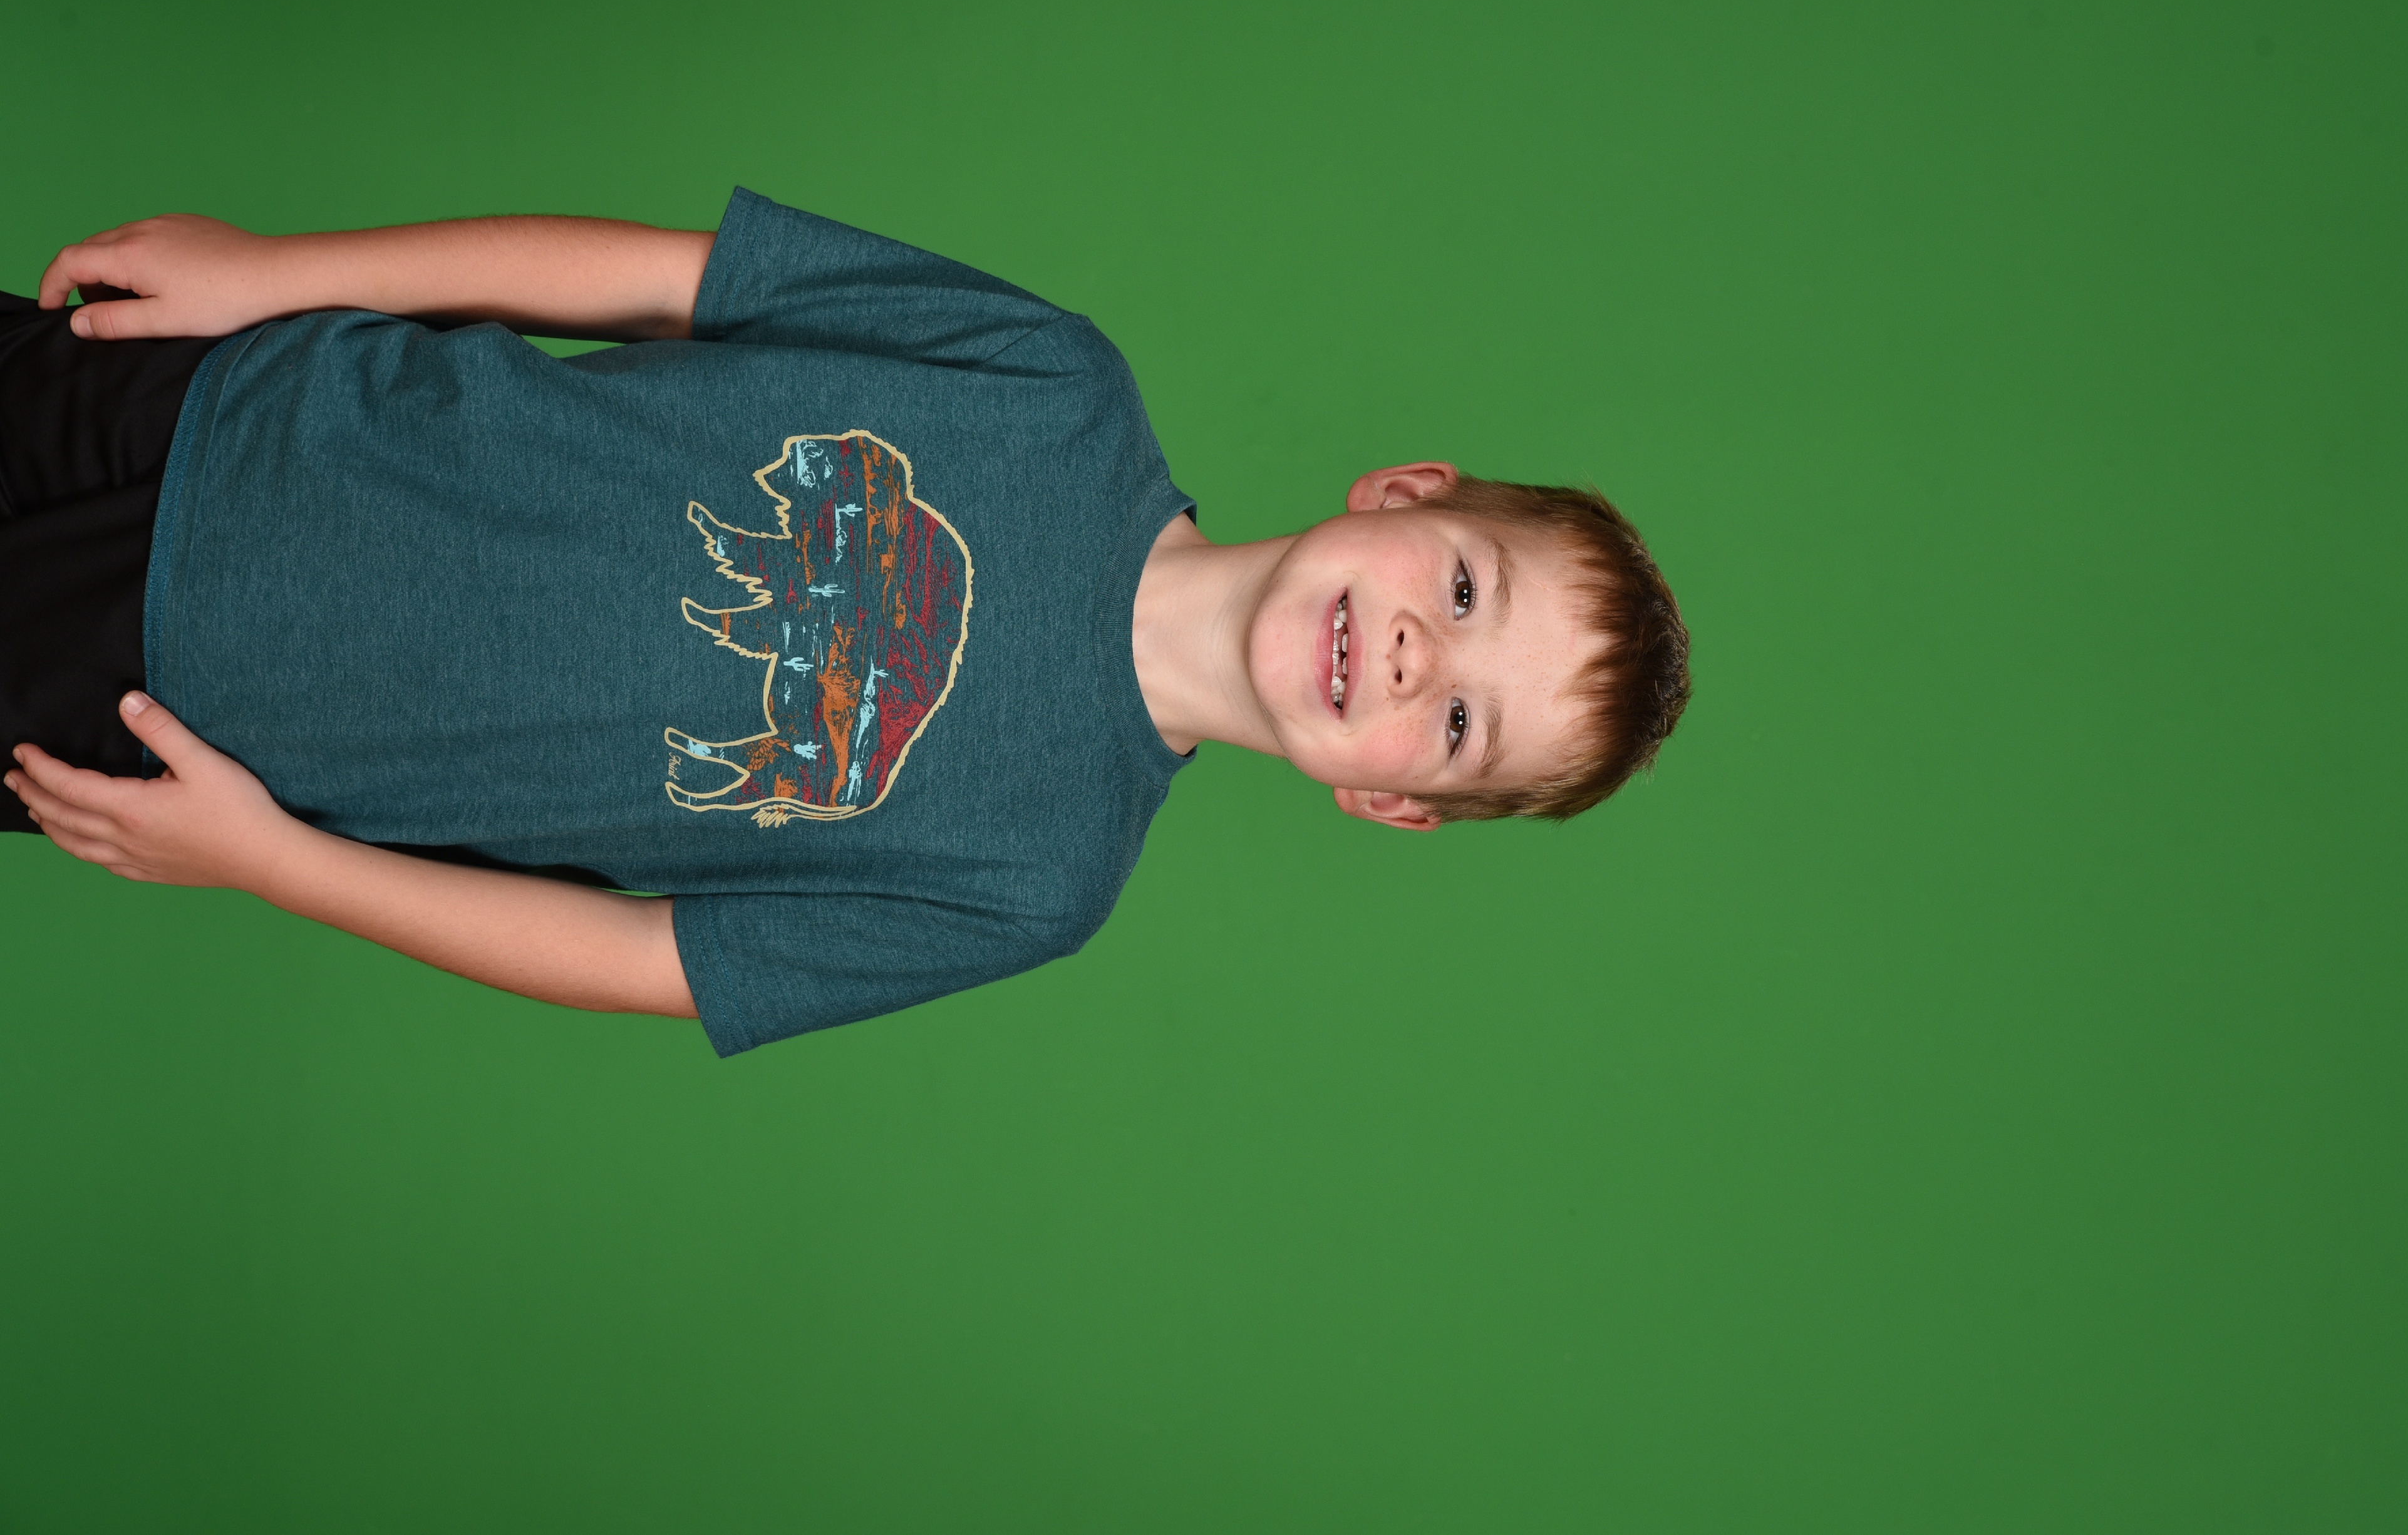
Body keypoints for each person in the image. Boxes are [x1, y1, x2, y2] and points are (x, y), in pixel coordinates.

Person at [1, 191, 1690, 1055]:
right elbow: (664, 281)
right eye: (1464, 591)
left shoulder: (1038, 880)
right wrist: (276, 271)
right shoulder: (1057, 383)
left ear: (1389, 799)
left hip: (187, 708)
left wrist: (273, 863)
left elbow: (638, 960)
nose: (1415, 655)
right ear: (1404, 494)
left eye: (1456, 720)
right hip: (239, 411)